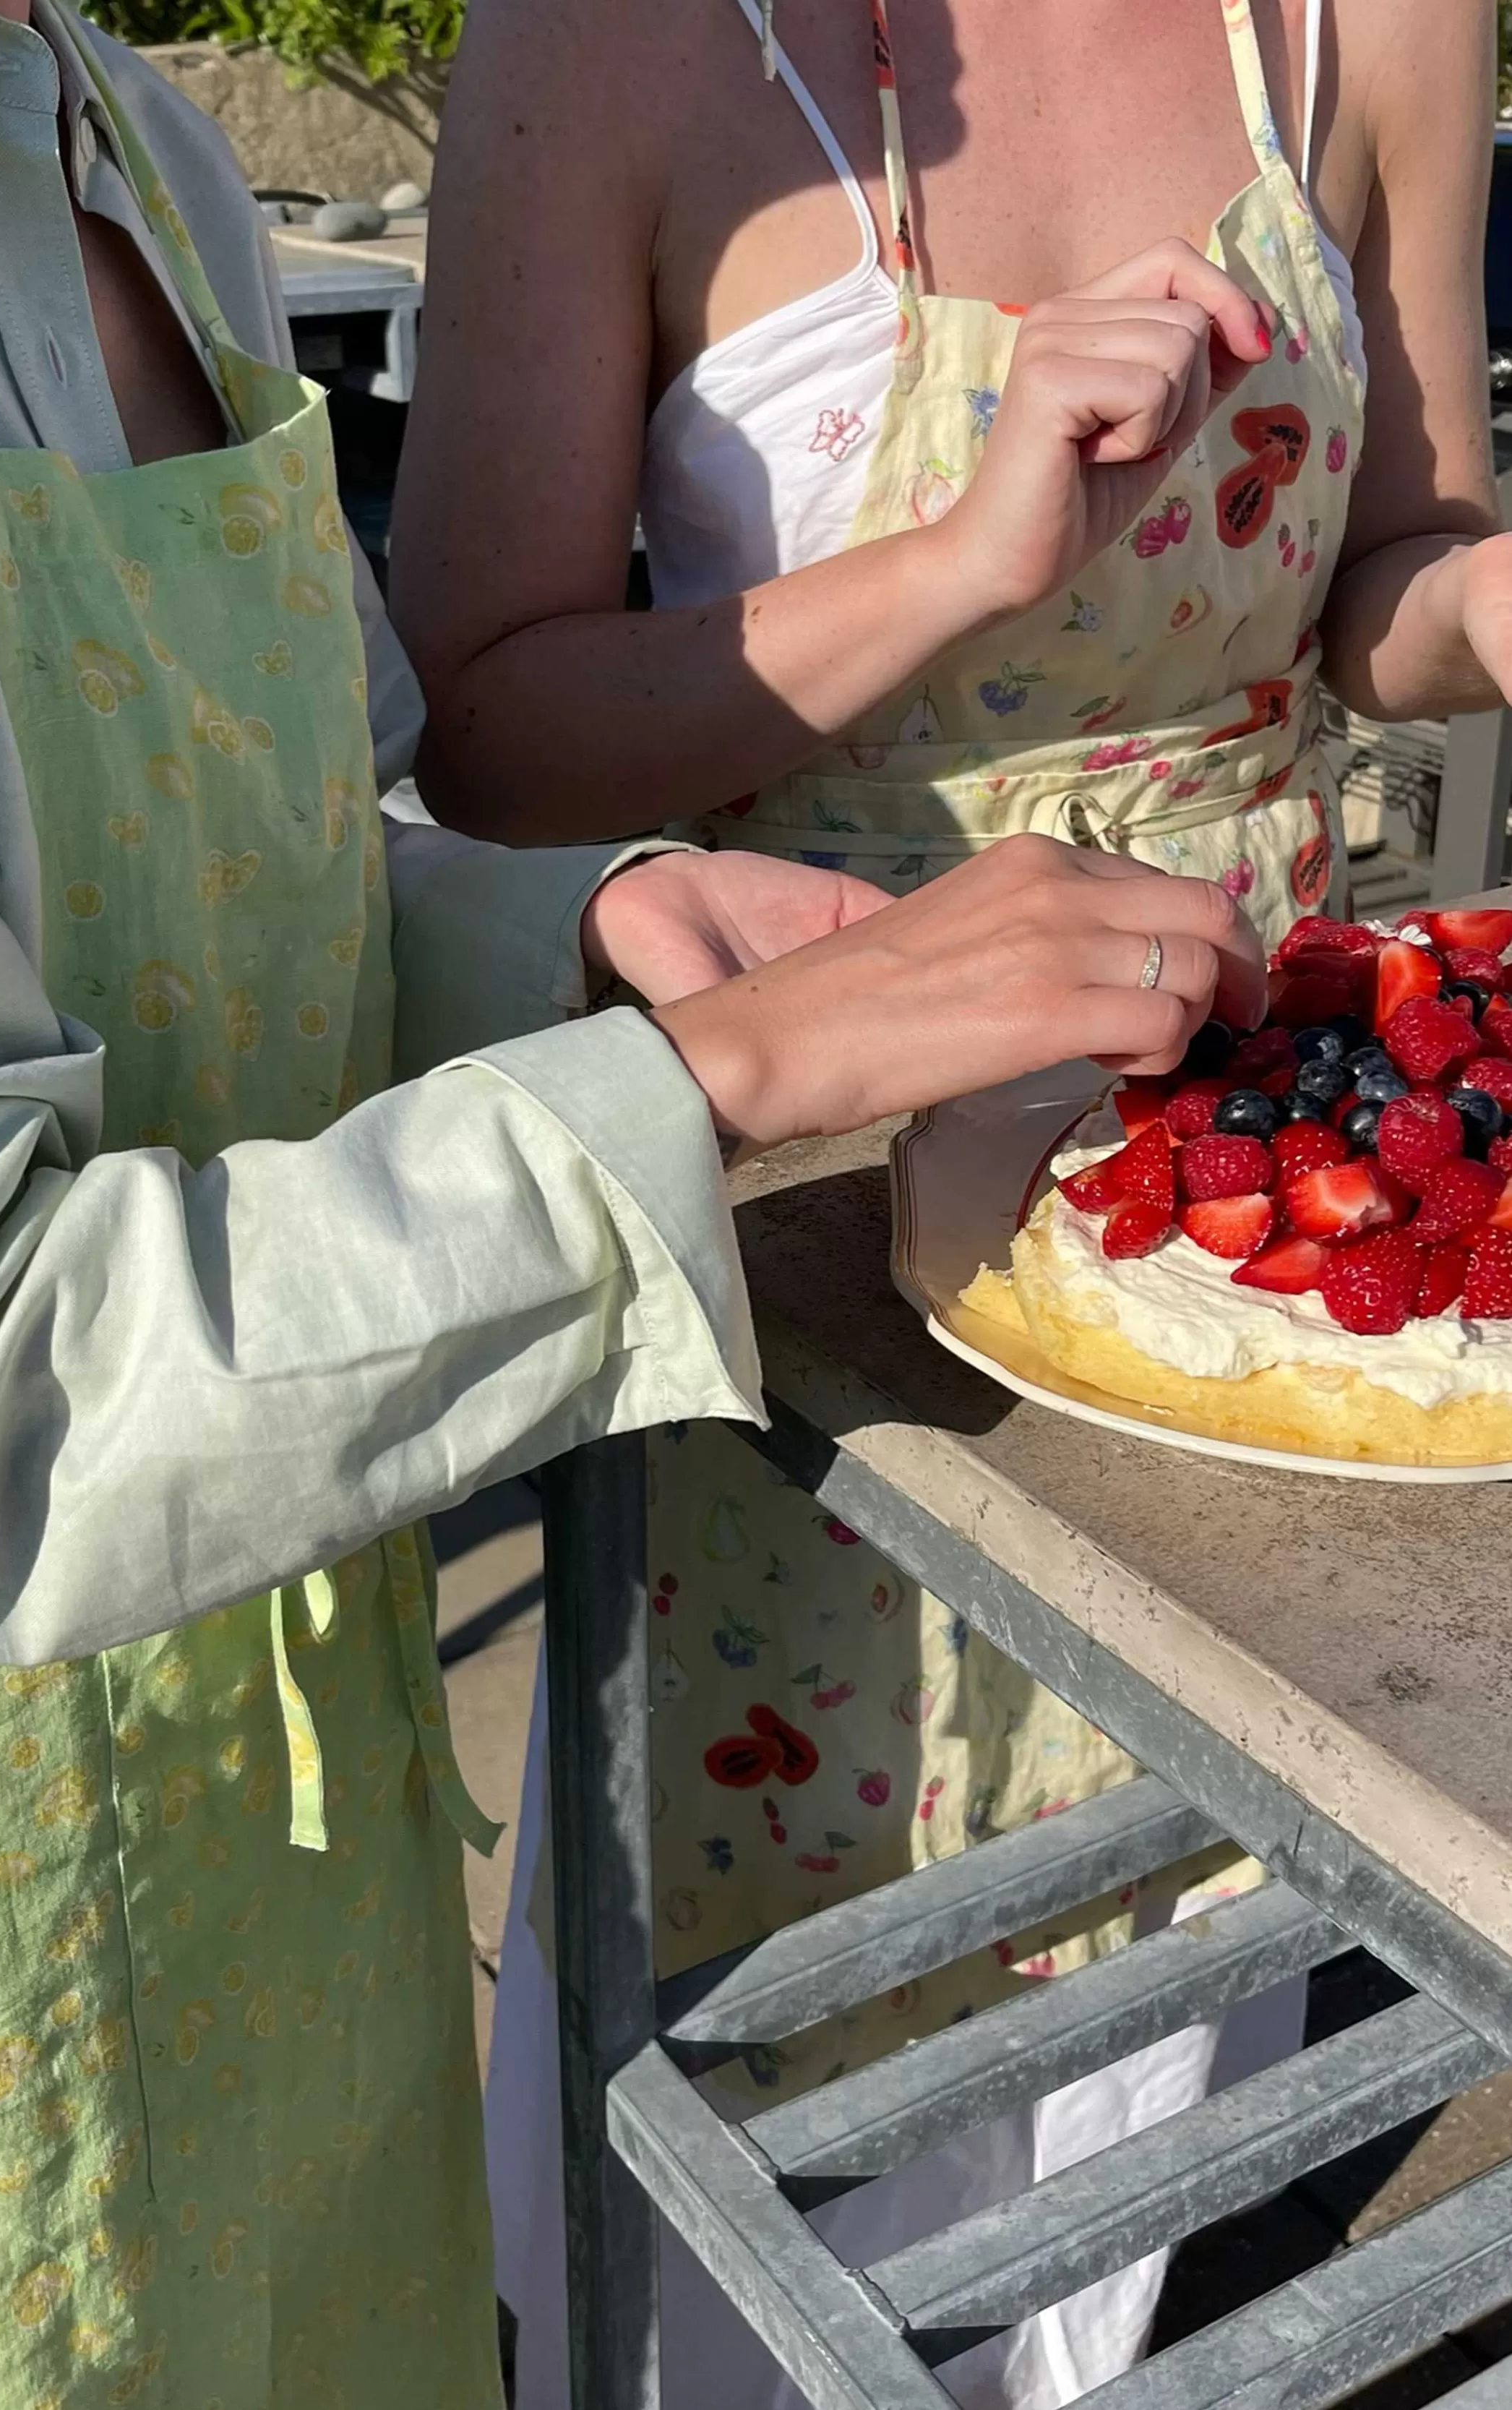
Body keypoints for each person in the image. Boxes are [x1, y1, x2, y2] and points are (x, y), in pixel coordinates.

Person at [0, 0, 1271, 2401]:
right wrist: (719, 1073)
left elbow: (260, 857)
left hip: (286, 1792)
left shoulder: (127, 141)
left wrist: (589, 926)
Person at [389, 0, 1512, 2401]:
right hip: (783, 1170)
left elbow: (1381, 582)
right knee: (775, 2004)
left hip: (1240, 1176)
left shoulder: (1378, 21)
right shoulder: (596, 46)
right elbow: (481, 728)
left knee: (1173, 1932)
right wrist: (958, 562)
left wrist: (1490, 605)